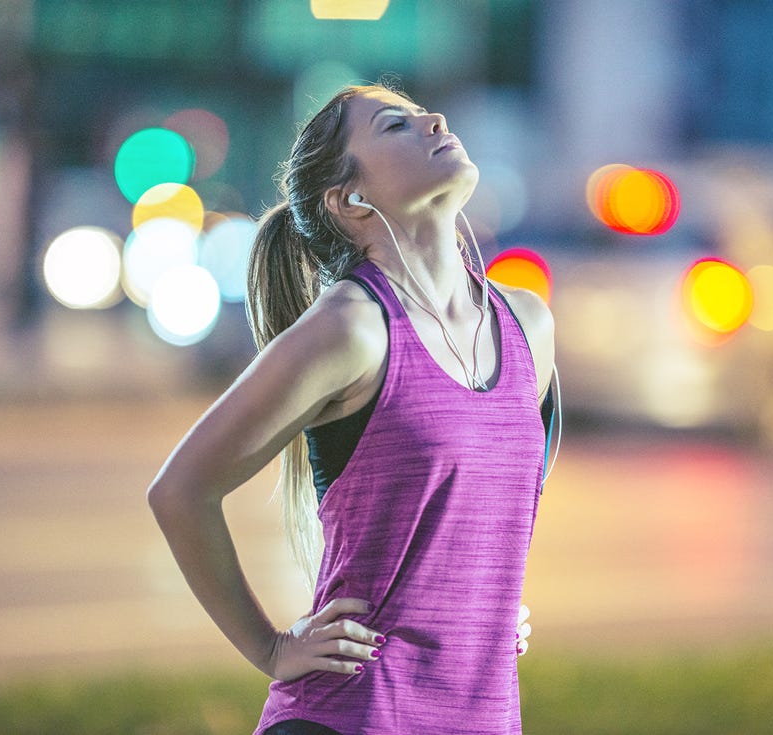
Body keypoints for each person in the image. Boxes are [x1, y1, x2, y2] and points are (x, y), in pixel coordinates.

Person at [147, 82, 556, 735]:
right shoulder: (353, 327)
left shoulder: (528, 324)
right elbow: (180, 490)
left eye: (422, 114)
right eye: (397, 125)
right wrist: (272, 649)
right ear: (349, 199)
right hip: (353, 715)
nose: (435, 120)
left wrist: (486, 594)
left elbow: (498, 499)